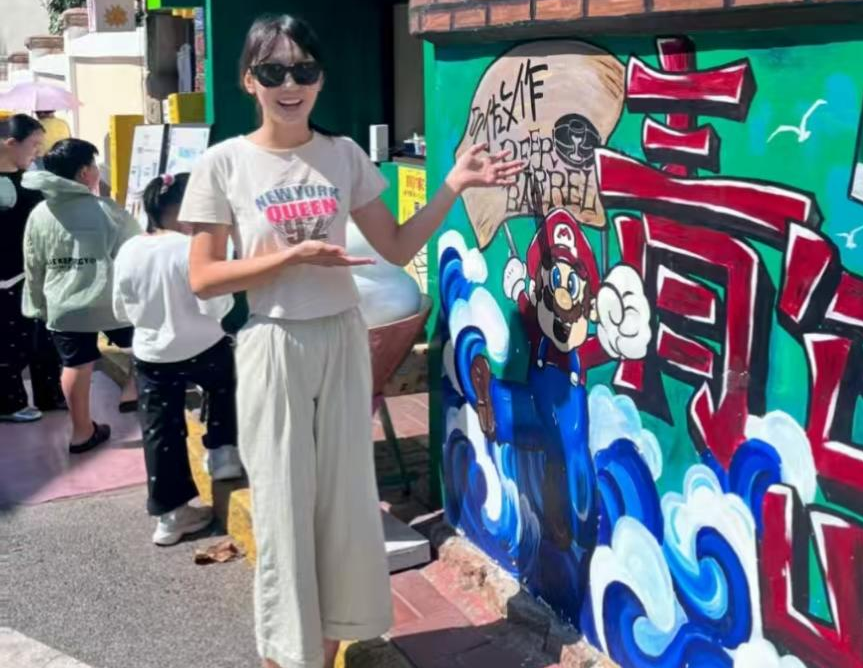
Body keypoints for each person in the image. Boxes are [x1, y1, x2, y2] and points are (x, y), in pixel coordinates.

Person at [179, 14, 522, 668]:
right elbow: (203, 276)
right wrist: (290, 258)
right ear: (249, 79)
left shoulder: (342, 156)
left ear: (320, 79)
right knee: (284, 513)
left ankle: (328, 651)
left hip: (342, 337)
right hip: (274, 343)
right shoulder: (224, 164)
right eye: (273, 71)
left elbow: (397, 245)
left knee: (345, 509)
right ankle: (287, 656)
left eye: (303, 70)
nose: (290, 85)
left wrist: (452, 185)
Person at [113, 173, 243, 546]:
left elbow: (121, 309)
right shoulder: (192, 249)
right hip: (204, 344)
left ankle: (170, 516)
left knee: (160, 429)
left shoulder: (129, 249)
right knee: (224, 385)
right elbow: (216, 303)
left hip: (152, 353)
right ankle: (223, 454)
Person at [22, 138, 141, 454]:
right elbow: (134, 256)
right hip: (111, 303)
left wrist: (37, 305)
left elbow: (33, 265)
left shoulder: (40, 214)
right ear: (84, 172)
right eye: (94, 166)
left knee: (75, 364)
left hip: (63, 305)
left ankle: (81, 433)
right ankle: (132, 390)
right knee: (141, 342)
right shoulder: (108, 211)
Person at [0, 114, 64, 423]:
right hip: (8, 279)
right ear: (11, 144)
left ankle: (50, 394)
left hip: (35, 274)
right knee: (11, 344)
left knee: (42, 340)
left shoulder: (28, 177)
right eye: (34, 144)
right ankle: (9, 403)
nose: (39, 151)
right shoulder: (5, 185)